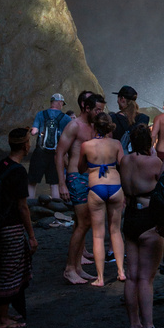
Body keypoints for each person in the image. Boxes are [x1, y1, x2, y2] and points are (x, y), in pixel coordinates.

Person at [118, 123, 164, 328]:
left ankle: (134, 325)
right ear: (150, 142)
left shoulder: (124, 161)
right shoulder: (154, 162)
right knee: (146, 278)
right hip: (149, 219)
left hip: (129, 218)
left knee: (132, 276)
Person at [55, 91, 105, 284]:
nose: (100, 113)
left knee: (82, 223)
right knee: (84, 223)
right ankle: (69, 268)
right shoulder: (74, 126)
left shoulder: (95, 126)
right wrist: (61, 183)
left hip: (90, 177)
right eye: (97, 109)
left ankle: (77, 267)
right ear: (87, 108)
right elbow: (59, 154)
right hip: (76, 177)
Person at [0, 128, 38, 328]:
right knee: (10, 270)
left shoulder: (2, 165)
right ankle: (2, 320)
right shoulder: (18, 171)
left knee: (6, 266)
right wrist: (32, 235)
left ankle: (5, 313)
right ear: (25, 145)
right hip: (11, 226)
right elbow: (22, 206)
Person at [79, 111, 125, 286]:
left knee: (98, 235)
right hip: (115, 186)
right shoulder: (116, 144)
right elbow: (124, 164)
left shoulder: (86, 145)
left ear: (94, 126)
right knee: (115, 230)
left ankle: (100, 278)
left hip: (96, 187)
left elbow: (81, 168)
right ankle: (121, 272)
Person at [28, 94, 71, 199]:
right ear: (60, 103)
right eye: (62, 103)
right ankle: (56, 207)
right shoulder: (66, 118)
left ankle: (29, 205)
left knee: (32, 181)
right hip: (57, 153)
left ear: (51, 102)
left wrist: (31, 131)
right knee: (54, 183)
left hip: (40, 151)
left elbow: (34, 131)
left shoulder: (40, 114)